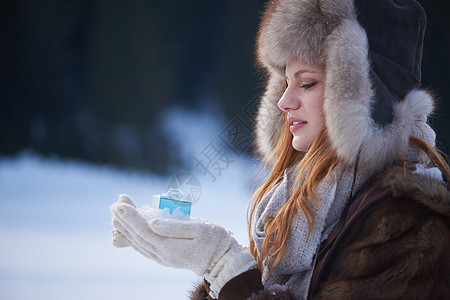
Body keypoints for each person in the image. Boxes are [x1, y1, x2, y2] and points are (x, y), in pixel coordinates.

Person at [110, 0, 450, 299]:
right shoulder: (305, 203)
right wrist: (215, 271)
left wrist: (227, 268)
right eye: (285, 83)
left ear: (364, 100)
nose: (284, 101)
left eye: (307, 83)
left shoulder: (411, 223)